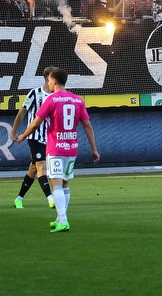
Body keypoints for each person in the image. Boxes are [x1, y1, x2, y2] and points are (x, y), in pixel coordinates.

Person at [15, 67, 101, 233]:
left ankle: (63, 220)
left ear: (54, 81)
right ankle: (60, 218)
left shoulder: (51, 100)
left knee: (56, 185)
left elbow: (35, 123)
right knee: (66, 183)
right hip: (71, 149)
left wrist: (23, 136)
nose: (48, 83)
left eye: (49, 80)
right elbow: (87, 125)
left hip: (55, 149)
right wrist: (94, 149)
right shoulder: (78, 100)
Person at [10, 66, 56, 210]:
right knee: (41, 165)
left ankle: (19, 198)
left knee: (34, 169)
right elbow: (22, 113)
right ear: (49, 77)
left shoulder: (57, 95)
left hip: (50, 138)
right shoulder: (35, 94)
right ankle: (51, 199)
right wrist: (14, 131)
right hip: (34, 136)